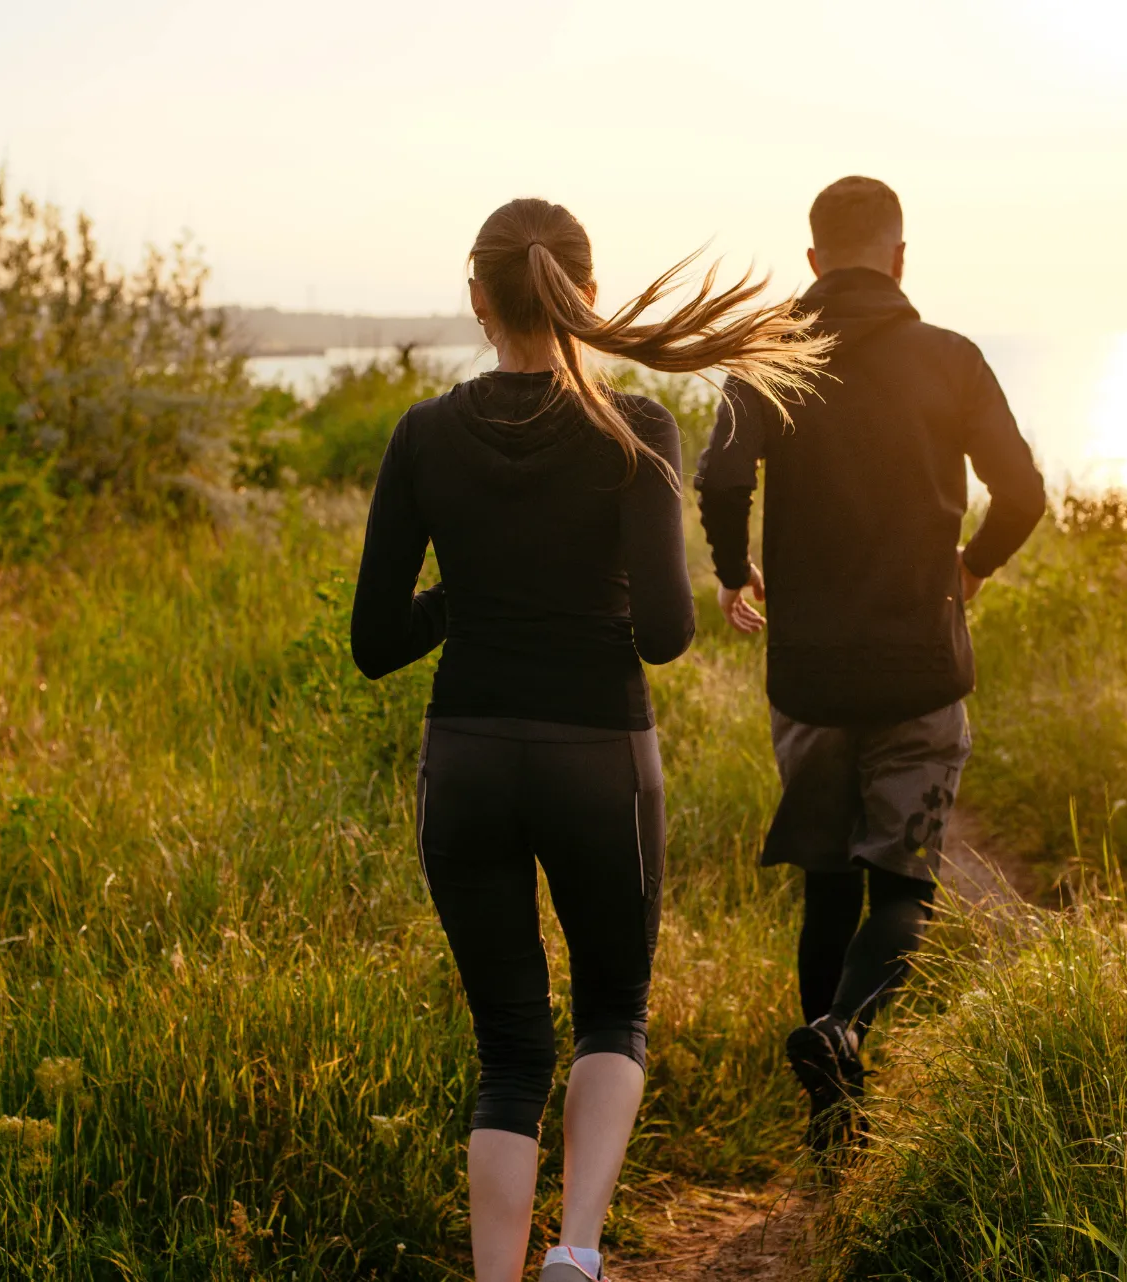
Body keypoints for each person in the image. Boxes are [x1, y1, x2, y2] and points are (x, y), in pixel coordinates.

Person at [351, 197, 828, 1282]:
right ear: (588, 296)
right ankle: (575, 1249)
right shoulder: (637, 427)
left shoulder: (424, 433)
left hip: (466, 758)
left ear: (479, 299)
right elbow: (664, 635)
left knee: (508, 1051)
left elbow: (375, 641)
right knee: (613, 1009)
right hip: (597, 756)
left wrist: (465, 598)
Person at [694, 176, 1046, 1151]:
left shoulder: (770, 358)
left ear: (812, 262)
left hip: (808, 673)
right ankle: (845, 1028)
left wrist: (734, 570)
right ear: (900, 257)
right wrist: (971, 568)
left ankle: (832, 1126)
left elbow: (720, 472)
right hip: (921, 669)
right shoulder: (951, 359)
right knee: (903, 888)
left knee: (825, 885)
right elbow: (1021, 491)